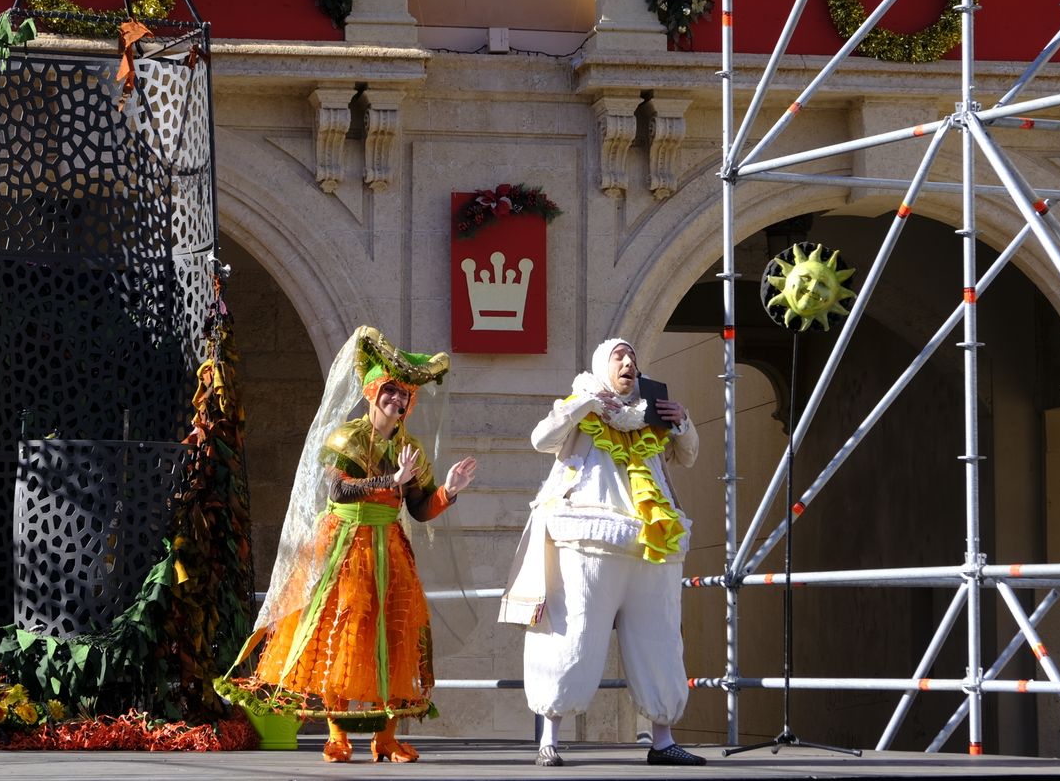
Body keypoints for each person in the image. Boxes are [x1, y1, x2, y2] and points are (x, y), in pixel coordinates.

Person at [217, 326, 477, 763]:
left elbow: (417, 508)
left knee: (394, 635)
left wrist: (448, 491)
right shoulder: (347, 438)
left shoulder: (409, 446)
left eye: (405, 397)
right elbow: (338, 492)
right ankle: (337, 732)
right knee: (345, 631)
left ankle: (385, 737)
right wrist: (387, 481)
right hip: (346, 547)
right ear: (374, 391)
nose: (398, 402)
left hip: (390, 549)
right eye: (391, 392)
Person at [499, 337, 706, 768]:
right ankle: (550, 738)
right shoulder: (583, 404)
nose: (629, 362)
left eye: (633, 357)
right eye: (619, 356)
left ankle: (663, 739)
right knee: (570, 633)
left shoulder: (650, 415)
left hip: (652, 542)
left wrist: (682, 422)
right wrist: (583, 404)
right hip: (587, 540)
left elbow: (686, 457)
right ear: (601, 366)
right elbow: (542, 438)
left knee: (661, 638)